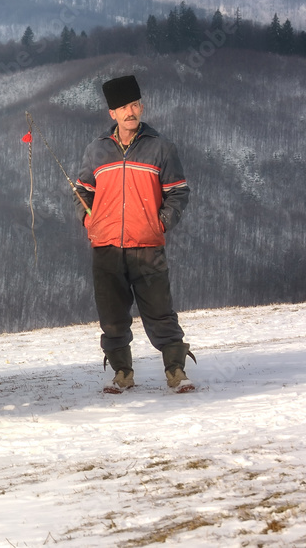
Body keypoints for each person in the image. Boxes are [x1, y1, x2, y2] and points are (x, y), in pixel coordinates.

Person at [74, 74, 195, 392]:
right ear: (111, 114)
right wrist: (90, 224)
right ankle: (122, 373)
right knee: (112, 316)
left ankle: (176, 371)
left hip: (147, 246)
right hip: (106, 248)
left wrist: (162, 223)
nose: (130, 111)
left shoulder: (161, 148)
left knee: (160, 312)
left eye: (134, 104)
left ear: (141, 107)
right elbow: (82, 192)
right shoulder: (96, 151)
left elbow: (179, 192)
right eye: (122, 107)